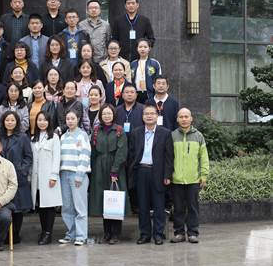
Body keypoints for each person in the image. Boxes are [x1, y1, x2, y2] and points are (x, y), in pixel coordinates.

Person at [128, 104, 174, 245]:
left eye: (152, 113)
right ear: (142, 116)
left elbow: (169, 157)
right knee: (143, 206)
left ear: (157, 116)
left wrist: (167, 175)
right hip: (141, 172)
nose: (149, 116)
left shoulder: (165, 133)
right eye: (146, 114)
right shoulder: (136, 133)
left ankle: (158, 234)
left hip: (158, 172)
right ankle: (145, 234)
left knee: (159, 205)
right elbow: (131, 154)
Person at [89, 105, 127, 244]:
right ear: (100, 116)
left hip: (114, 167)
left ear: (113, 115)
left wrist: (114, 170)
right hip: (99, 167)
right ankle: (107, 232)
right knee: (104, 200)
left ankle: (116, 233)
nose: (106, 116)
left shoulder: (119, 130)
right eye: (104, 114)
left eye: (109, 113)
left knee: (114, 199)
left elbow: (122, 151)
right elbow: (93, 151)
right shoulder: (96, 130)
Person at [170, 108, 209, 244]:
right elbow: (169, 158)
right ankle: (179, 233)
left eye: (186, 116)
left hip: (193, 179)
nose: (184, 119)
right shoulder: (173, 135)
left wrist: (204, 175)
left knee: (193, 207)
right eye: (181, 117)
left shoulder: (199, 136)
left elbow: (204, 157)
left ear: (191, 118)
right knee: (178, 208)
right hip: (176, 179)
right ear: (177, 119)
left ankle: (193, 233)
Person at [0, 112, 33, 245]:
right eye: (7, 120)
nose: (10, 122)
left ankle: (15, 234)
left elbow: (28, 157)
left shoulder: (23, 137)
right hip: (2, 176)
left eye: (12, 120)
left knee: (18, 207)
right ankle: (5, 233)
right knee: (5, 206)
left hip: (18, 176)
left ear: (17, 122)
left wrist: (22, 170)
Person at [58, 109, 91, 246]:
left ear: (78, 119)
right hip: (64, 174)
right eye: (68, 119)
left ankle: (81, 236)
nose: (70, 121)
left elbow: (85, 155)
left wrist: (79, 175)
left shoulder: (82, 135)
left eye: (73, 118)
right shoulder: (63, 137)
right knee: (67, 207)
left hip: (78, 175)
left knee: (80, 207)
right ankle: (71, 234)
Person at [30, 111, 62, 245]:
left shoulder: (54, 137)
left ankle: (48, 233)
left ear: (49, 122)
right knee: (41, 205)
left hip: (49, 177)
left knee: (49, 206)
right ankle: (43, 231)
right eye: (39, 120)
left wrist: (54, 175)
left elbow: (57, 158)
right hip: (36, 178)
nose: (42, 122)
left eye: (44, 120)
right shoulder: (33, 138)